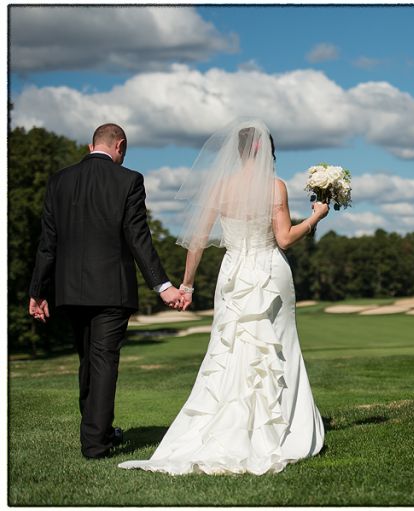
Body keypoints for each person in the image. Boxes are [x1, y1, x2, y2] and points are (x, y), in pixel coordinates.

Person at [119, 119, 329, 475]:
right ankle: (279, 428)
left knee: (227, 348)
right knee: (277, 347)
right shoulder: (274, 187)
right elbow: (284, 239)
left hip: (232, 276)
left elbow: (197, 241)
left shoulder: (220, 188)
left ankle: (226, 425)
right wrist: (315, 218)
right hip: (268, 273)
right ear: (263, 149)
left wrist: (186, 285)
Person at [28, 123, 185, 459]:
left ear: (90, 146)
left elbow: (48, 243)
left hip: (69, 290)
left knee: (87, 360)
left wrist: (37, 291)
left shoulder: (59, 181)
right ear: (120, 145)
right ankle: (96, 442)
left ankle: (98, 429)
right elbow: (138, 238)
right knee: (102, 362)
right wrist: (163, 286)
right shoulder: (129, 180)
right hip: (111, 290)